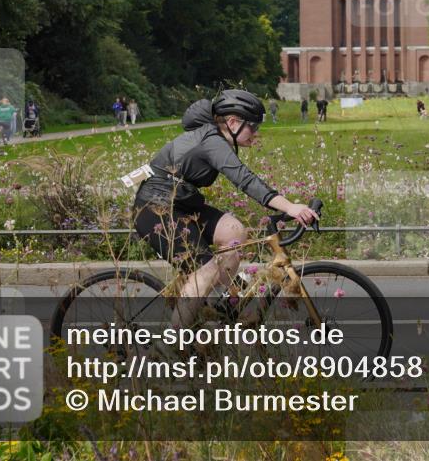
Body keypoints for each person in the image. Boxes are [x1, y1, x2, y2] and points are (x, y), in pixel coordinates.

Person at [132, 90, 319, 328]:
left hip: (181, 204)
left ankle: (212, 306)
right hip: (154, 208)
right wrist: (291, 207)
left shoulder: (215, 138)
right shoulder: (212, 141)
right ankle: (171, 346)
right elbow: (246, 180)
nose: (257, 132)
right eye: (253, 126)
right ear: (232, 123)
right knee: (207, 270)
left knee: (234, 232)